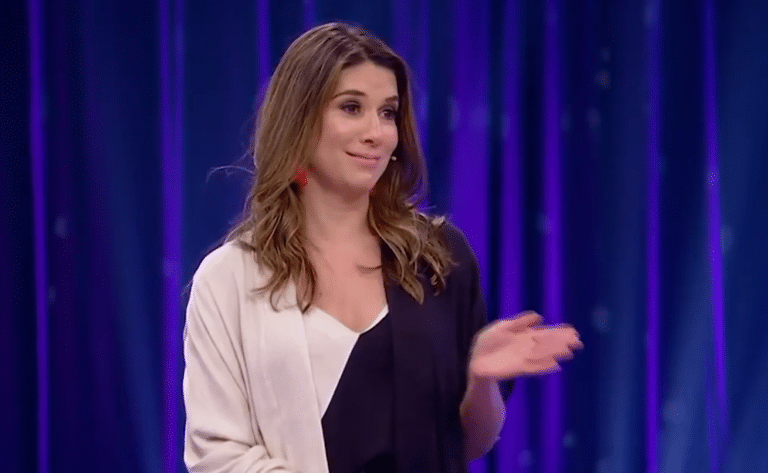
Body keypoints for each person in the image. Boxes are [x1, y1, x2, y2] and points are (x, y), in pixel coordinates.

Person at [183, 22, 583, 473]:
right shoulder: (230, 278)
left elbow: (470, 443)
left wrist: (481, 382)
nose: (377, 132)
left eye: (388, 112)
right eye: (351, 108)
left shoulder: (438, 257)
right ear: (299, 120)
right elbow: (218, 456)